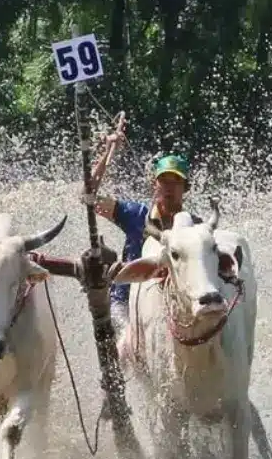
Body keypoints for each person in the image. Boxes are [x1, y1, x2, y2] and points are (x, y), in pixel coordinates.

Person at [85, 118, 200, 331]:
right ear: (153, 184)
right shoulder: (135, 215)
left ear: (186, 188)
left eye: (176, 182)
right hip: (126, 306)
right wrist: (109, 151)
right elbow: (87, 197)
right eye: (163, 181)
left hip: (171, 307)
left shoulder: (195, 229)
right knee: (128, 336)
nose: (169, 188)